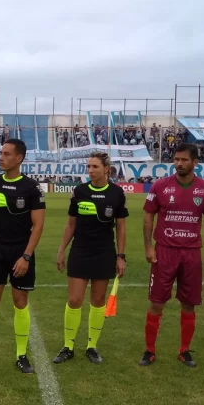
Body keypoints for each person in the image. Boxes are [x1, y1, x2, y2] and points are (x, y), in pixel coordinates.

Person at [140, 143, 204, 367]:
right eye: (176, 159)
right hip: (164, 252)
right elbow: (148, 218)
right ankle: (149, 350)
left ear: (195, 163)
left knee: (189, 303)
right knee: (156, 302)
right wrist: (148, 247)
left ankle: (184, 350)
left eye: (184, 160)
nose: (179, 164)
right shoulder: (160, 186)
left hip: (192, 253)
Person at [0, 139, 45, 373]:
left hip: (20, 251)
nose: (1, 157)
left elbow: (38, 226)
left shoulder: (32, 188)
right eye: (0, 153)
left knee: (20, 302)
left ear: (19, 158)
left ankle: (21, 355)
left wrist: (26, 257)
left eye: (6, 154)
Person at [54, 152, 128, 364]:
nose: (90, 170)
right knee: (74, 299)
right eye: (88, 166)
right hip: (80, 251)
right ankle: (68, 346)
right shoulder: (79, 191)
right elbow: (71, 225)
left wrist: (120, 256)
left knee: (97, 301)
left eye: (94, 166)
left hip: (104, 252)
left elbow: (121, 228)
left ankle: (92, 346)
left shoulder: (116, 193)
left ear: (106, 169)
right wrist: (62, 249)